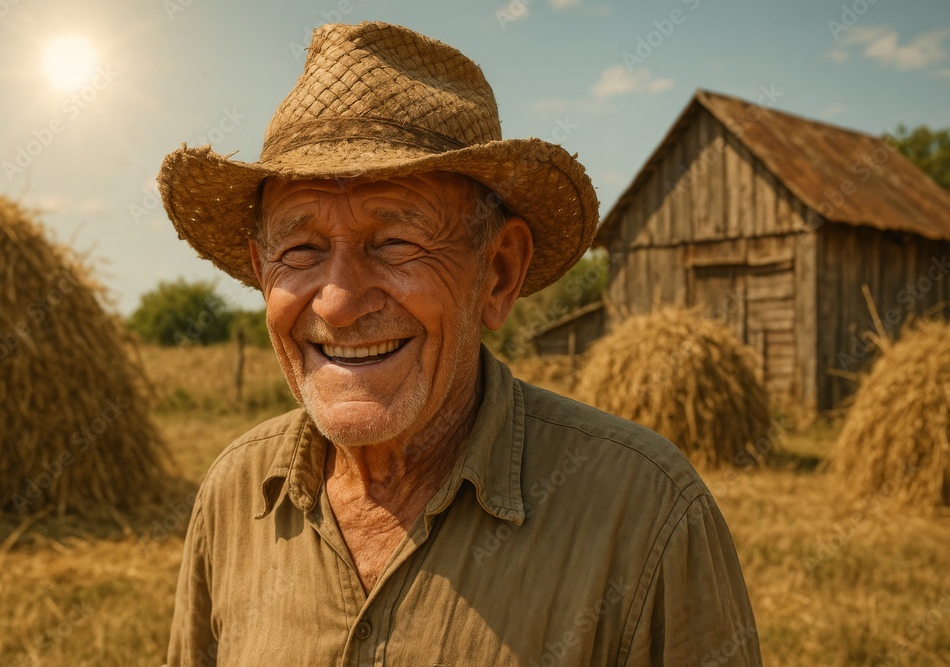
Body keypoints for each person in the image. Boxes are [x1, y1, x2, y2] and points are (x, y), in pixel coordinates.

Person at [159, 21, 761, 666]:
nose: (337, 300)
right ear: (262, 271)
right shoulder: (236, 493)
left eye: (396, 243)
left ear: (498, 273)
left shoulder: (643, 512)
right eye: (301, 250)